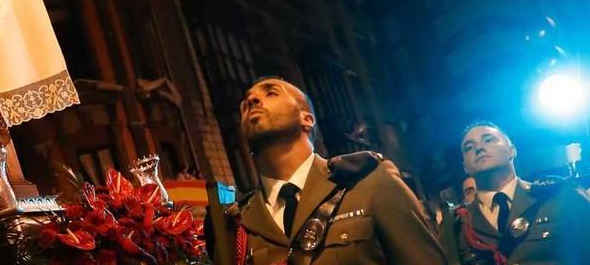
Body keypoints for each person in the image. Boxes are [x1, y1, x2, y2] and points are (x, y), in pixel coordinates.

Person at [206, 77, 447, 264]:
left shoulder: (371, 181)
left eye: (270, 93)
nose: (252, 101)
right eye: (246, 102)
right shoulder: (239, 224)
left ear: (307, 119)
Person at [440, 120, 590, 264]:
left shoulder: (560, 195)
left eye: (488, 140)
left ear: (512, 150)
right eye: (469, 147)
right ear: (465, 166)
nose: (478, 148)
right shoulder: (458, 225)